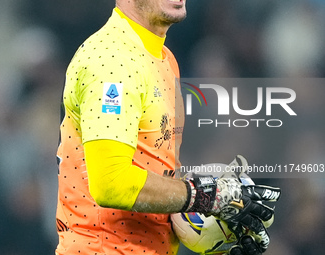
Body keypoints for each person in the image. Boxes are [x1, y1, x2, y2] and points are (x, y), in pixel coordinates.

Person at [55, 1, 280, 254]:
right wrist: (206, 196)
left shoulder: (164, 58)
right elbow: (111, 182)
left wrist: (217, 228)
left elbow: (158, 176)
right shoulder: (111, 61)